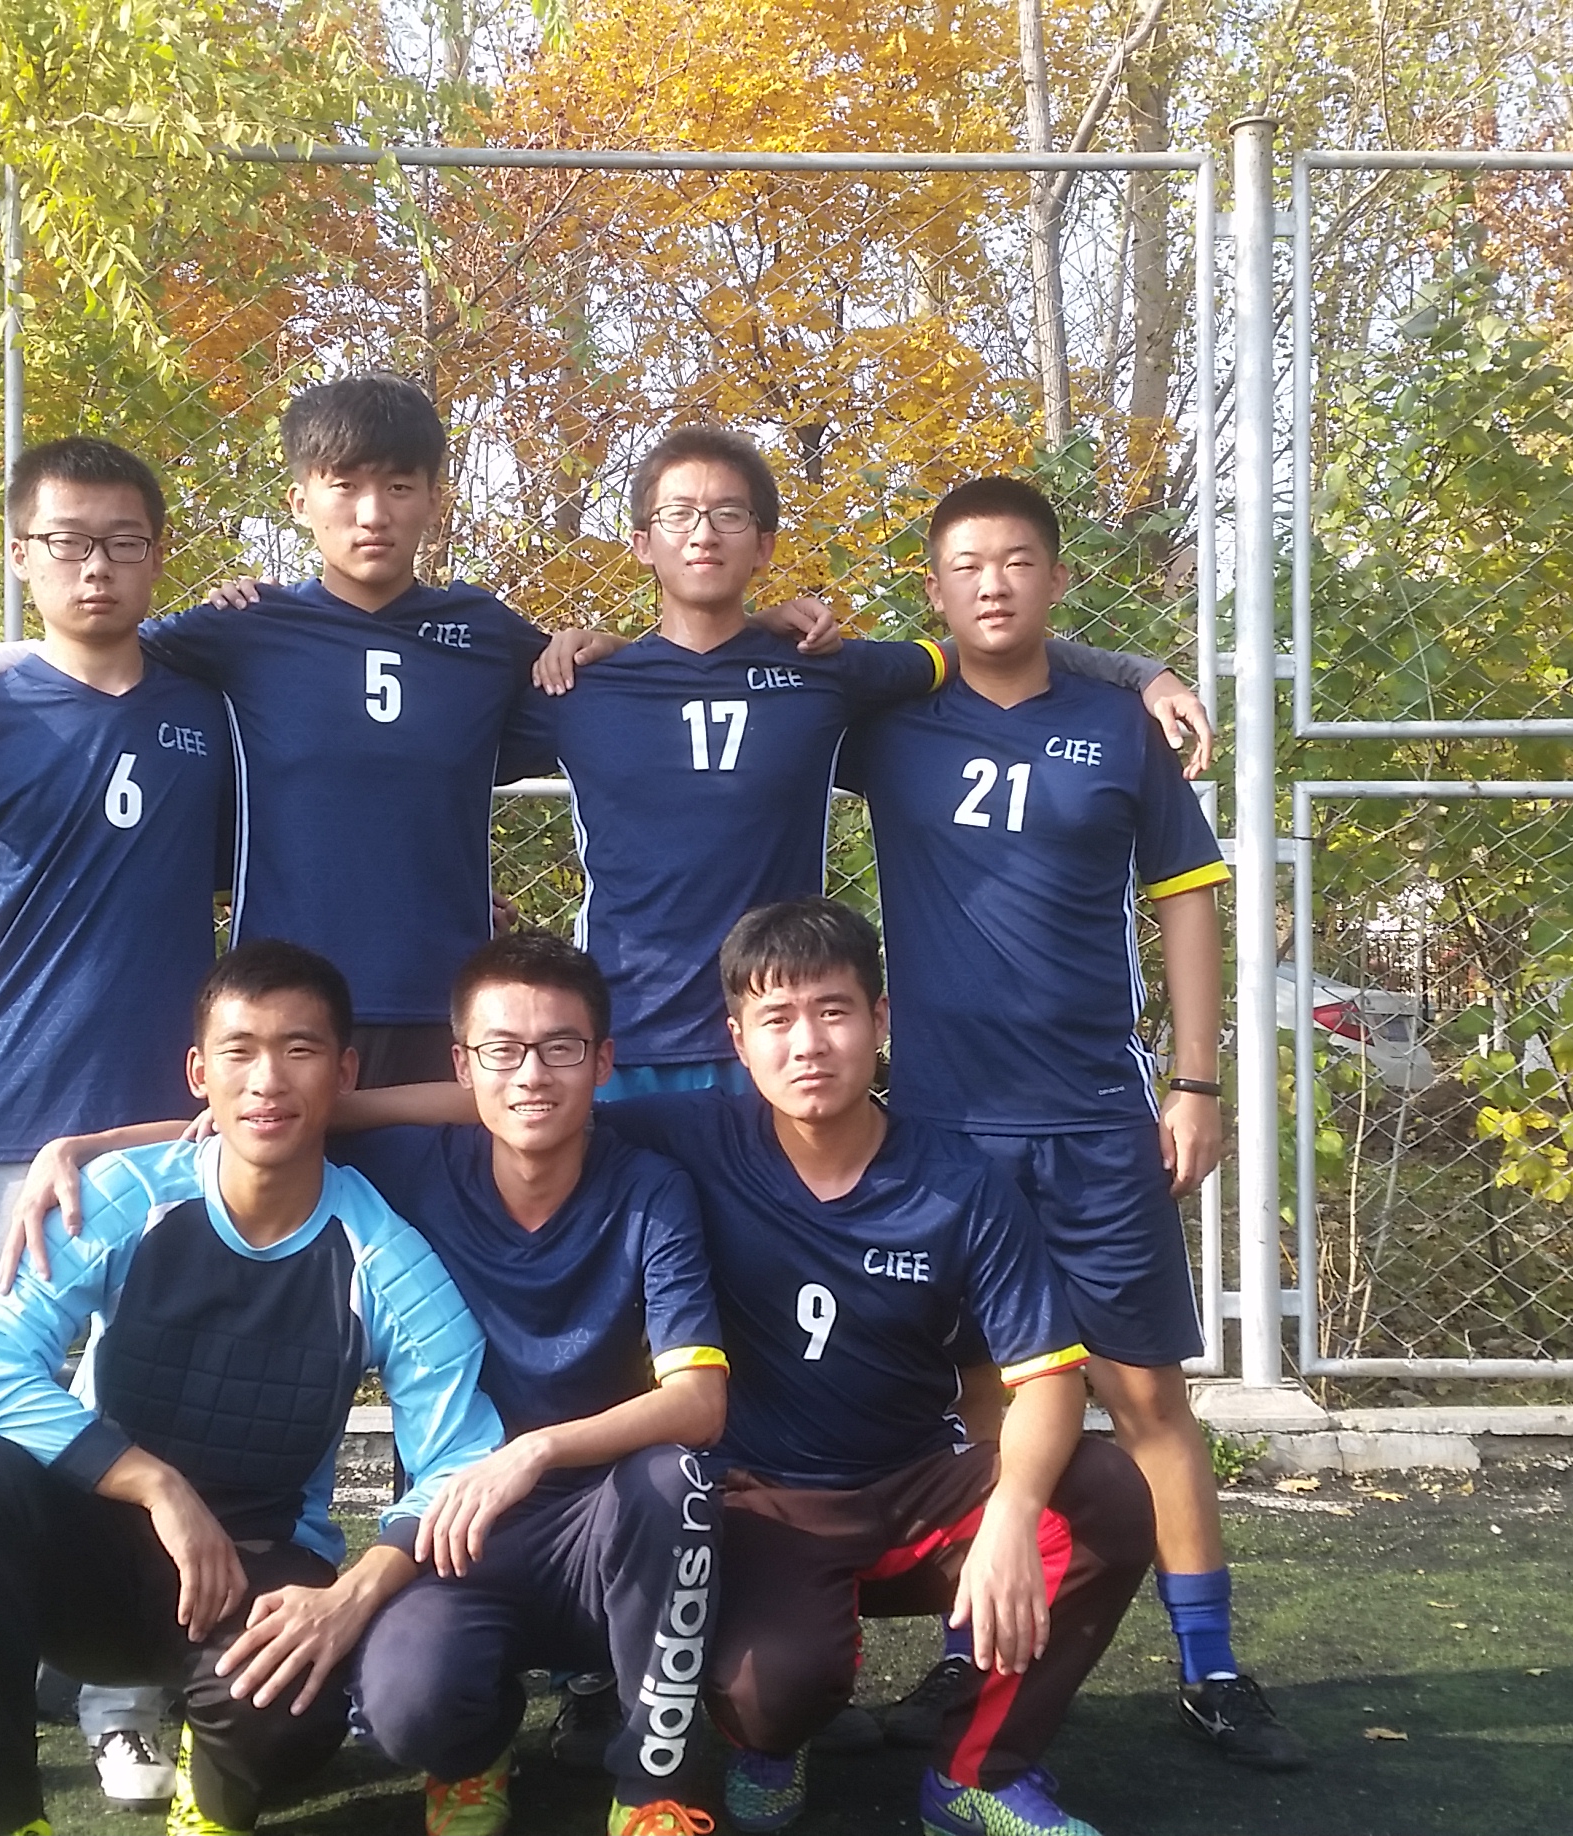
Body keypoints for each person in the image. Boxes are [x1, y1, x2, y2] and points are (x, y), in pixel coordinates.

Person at [18, 933, 733, 1836]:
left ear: (602, 1060)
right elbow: (265, 1119)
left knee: (676, 1479)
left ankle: (655, 1786)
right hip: (455, 1522)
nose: (531, 1075)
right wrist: (83, 1147)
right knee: (405, 1706)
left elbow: (699, 1404)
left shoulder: (652, 1188)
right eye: (501, 1049)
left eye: (560, 1047)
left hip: (603, 1517)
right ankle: (473, 1751)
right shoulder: (406, 1169)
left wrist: (536, 1450)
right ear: (462, 1065)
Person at [839, 477, 1303, 1770]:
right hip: (946, 1126)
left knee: (1145, 1395)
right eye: (967, 565)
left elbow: (1188, 896)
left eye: (1018, 561)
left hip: (1096, 1121)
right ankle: (972, 1653)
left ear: (1055, 579)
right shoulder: (889, 723)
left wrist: (1198, 1083)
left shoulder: (1115, 725)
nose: (993, 584)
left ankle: (1214, 1667)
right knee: (988, 1405)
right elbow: (781, 675)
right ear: (934, 589)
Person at [0, 941, 506, 1836]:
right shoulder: (121, 1198)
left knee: (290, 1716)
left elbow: (461, 1458)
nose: (268, 1081)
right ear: (199, 1073)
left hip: (258, 1563)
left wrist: (350, 1597)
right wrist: (155, 1484)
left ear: (344, 1073)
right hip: (98, 1550)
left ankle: (218, 1776)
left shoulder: (385, 1257)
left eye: (299, 1050)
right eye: (240, 1051)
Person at [0, 373, 572, 1086]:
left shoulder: (483, 632)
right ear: (300, 501)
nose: (372, 513)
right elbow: (86, 649)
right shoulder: (245, 627)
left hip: (448, 1005)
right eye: (345, 486)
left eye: (400, 487)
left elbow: (585, 696)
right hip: (283, 1011)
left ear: (435, 500)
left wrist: (591, 644)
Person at [606, 900, 1155, 1836]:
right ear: (738, 1042)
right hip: (765, 1502)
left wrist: (1013, 1514)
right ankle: (772, 1739)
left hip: (916, 1489)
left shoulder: (959, 1180)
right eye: (776, 1019)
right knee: (772, 1692)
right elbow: (527, 1106)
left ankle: (977, 1775)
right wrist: (347, 1111)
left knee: (1103, 1493)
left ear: (880, 1020)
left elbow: (1047, 1378)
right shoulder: (686, 1137)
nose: (808, 1044)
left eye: (834, 1011)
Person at [0, 433, 222, 1818]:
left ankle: (127, 1705)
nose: (96, 564)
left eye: (124, 539)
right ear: (20, 557)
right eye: (67, 541)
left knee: (133, 1406)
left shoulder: (211, 714)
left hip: (162, 1130)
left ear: (157, 554)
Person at [527, 424, 1214, 1098]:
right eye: (678, 514)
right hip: (624, 1042)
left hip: (782, 1050)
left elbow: (985, 644)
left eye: (729, 514)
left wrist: (1139, 673)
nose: (703, 533)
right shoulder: (579, 687)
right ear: (642, 543)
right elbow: (462, 757)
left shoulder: (825, 672)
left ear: (764, 546)